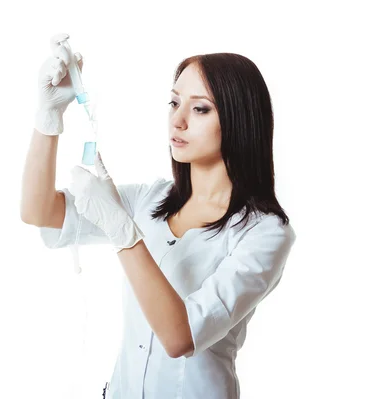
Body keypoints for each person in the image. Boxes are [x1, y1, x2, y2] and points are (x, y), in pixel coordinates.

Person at [20, 33, 296, 399]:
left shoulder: (264, 232)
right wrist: (48, 117)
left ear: (239, 118)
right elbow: (40, 212)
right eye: (174, 102)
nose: (177, 120)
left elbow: (181, 337)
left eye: (200, 108)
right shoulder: (151, 199)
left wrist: (124, 234)